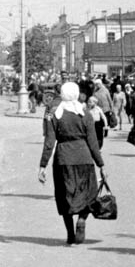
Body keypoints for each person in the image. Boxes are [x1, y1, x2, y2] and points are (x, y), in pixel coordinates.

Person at [38, 82, 106, 245]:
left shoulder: (56, 114)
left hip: (63, 159)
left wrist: (42, 165)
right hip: (84, 158)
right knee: (88, 193)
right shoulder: (85, 114)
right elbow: (93, 142)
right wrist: (101, 164)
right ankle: (82, 220)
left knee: (65, 196)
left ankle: (70, 233)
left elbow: (49, 142)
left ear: (62, 94)